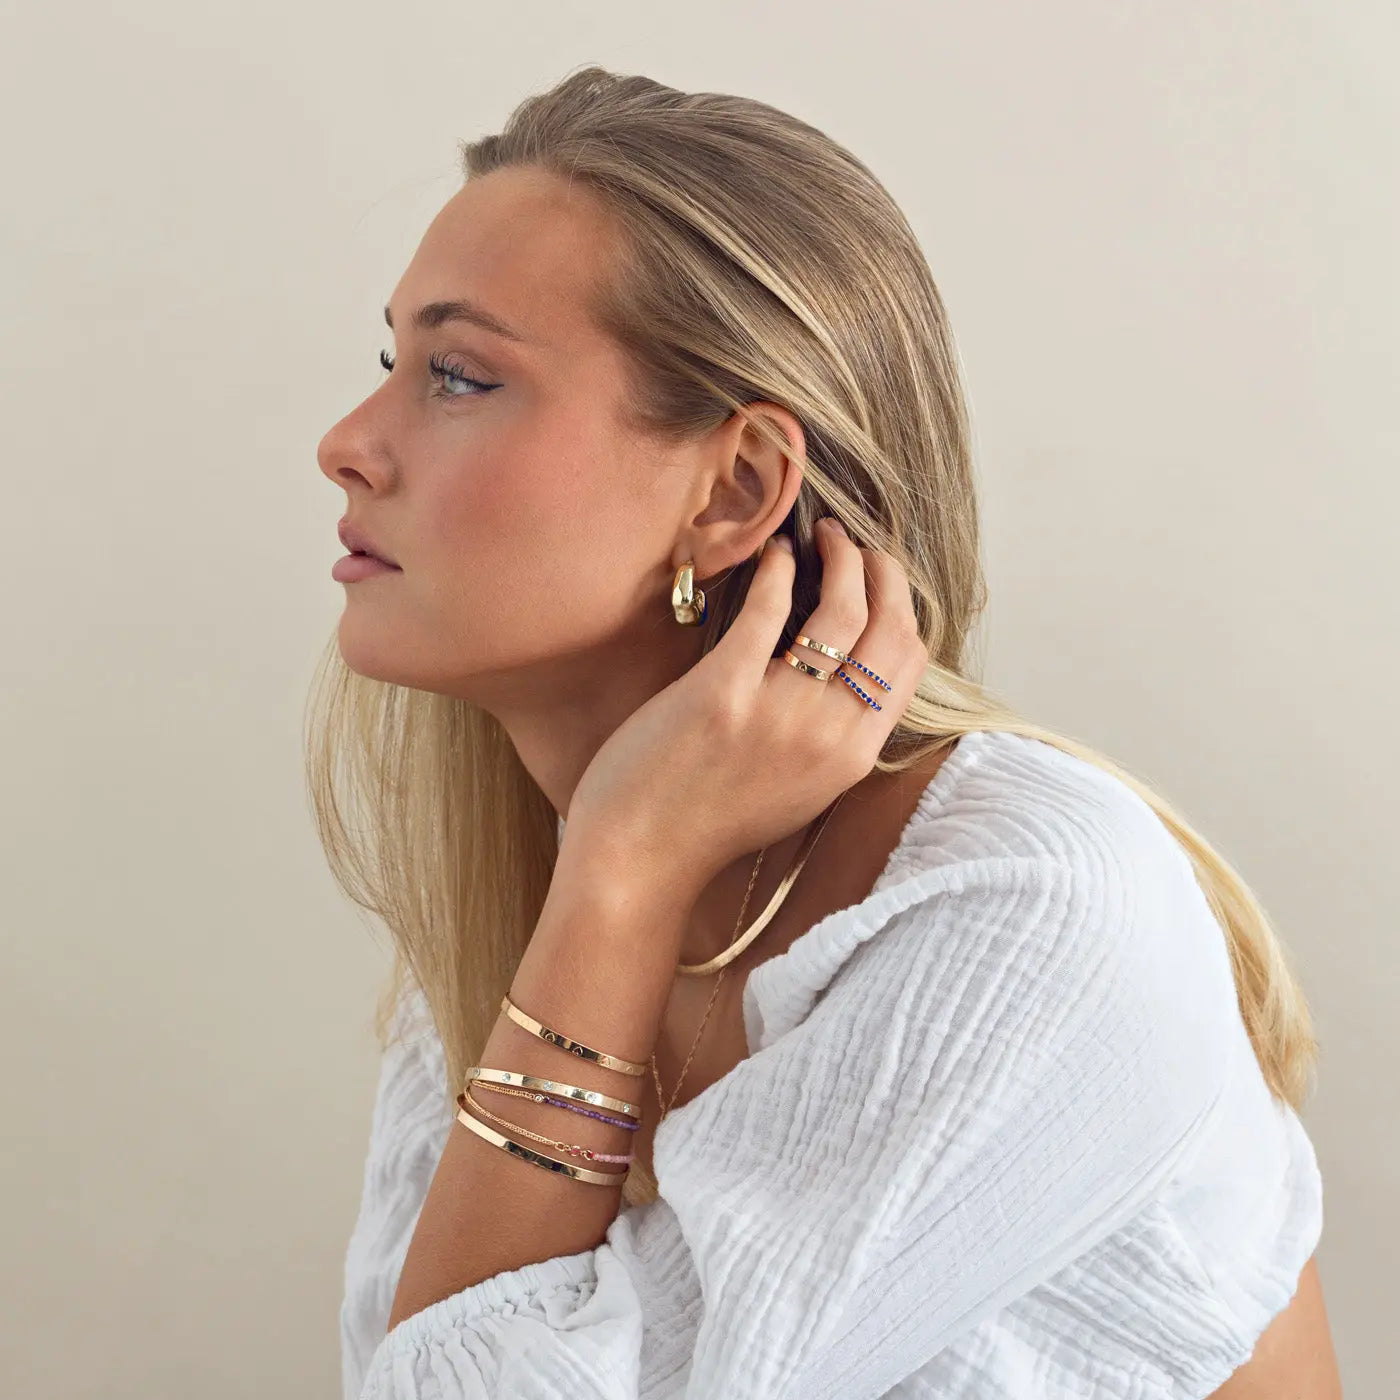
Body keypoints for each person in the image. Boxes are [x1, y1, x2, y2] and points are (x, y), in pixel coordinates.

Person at [311, 66, 1341, 1400]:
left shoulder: (1024, 910)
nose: (347, 442)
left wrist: (625, 872)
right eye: (391, 364)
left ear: (736, 490)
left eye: (458, 376)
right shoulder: (521, 916)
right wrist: (611, 882)